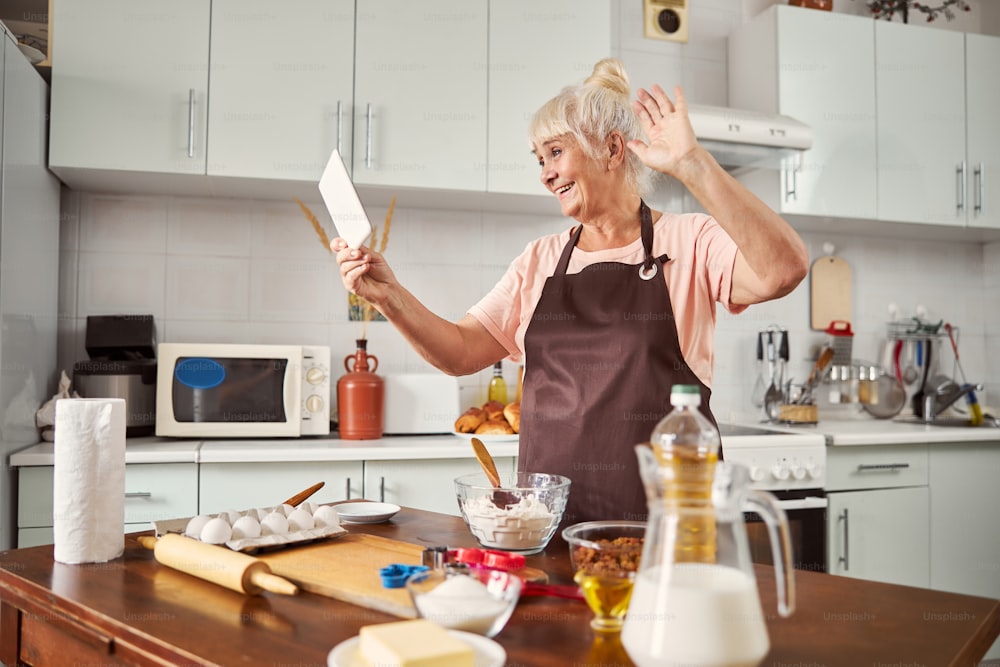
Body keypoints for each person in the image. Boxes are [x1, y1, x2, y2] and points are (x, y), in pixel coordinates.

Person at [333, 58, 808, 525]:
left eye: (556, 153)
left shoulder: (691, 241)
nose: (545, 173)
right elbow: (459, 352)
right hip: (548, 532)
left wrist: (694, 165)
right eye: (539, 160)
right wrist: (388, 297)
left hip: (665, 538)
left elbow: (783, 270)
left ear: (612, 149)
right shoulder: (538, 259)